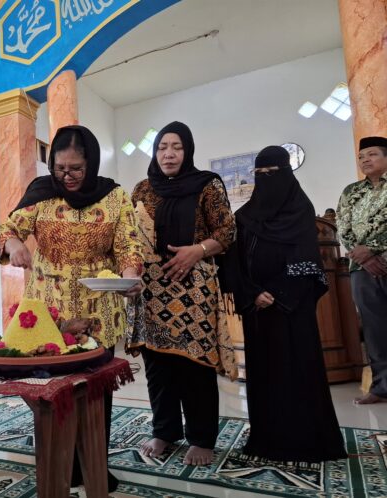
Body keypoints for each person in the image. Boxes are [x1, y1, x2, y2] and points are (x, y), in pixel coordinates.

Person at [0, 125, 143, 492]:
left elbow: (128, 246)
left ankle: (93, 463)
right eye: (61, 168)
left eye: (76, 168)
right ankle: (58, 462)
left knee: (95, 392)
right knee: (54, 390)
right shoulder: (42, 194)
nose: (68, 176)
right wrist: (14, 244)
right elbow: (8, 227)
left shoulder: (114, 197)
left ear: (91, 163)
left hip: (100, 306)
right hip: (50, 310)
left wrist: (128, 276)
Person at [128, 121, 236, 466]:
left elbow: (227, 230)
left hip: (194, 285)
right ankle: (165, 431)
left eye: (176, 147)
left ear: (187, 151)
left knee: (194, 362)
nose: (169, 154)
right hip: (151, 289)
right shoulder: (143, 189)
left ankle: (202, 438)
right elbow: (130, 236)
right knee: (158, 363)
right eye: (162, 147)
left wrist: (197, 250)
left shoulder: (206, 184)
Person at [232, 145, 346, 462]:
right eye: (259, 174)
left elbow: (307, 262)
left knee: (298, 372)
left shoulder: (300, 211)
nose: (266, 179)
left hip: (292, 312)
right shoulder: (244, 217)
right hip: (257, 311)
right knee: (265, 375)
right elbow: (234, 264)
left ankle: (307, 442)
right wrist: (252, 292)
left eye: (273, 173)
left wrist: (279, 295)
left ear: (287, 174)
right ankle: (267, 440)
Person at [336, 136, 387, 404]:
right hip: (361, 268)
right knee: (375, 329)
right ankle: (382, 387)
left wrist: (375, 248)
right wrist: (363, 256)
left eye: (373, 154)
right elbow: (342, 227)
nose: (365, 160)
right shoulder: (351, 191)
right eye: (361, 156)